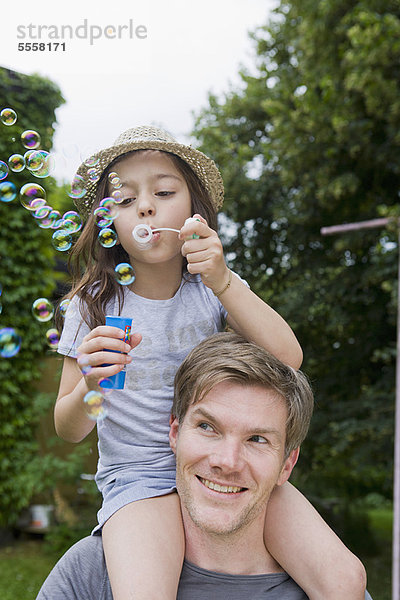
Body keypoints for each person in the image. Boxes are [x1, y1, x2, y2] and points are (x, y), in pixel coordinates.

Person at [52, 126, 363, 600]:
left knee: (345, 581)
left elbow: (288, 358)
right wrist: (89, 386)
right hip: (139, 476)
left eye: (163, 191)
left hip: (223, 458)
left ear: (194, 209)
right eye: (124, 197)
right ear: (108, 219)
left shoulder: (211, 291)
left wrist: (222, 279)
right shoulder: (92, 305)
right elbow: (67, 428)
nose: (145, 207)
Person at [37, 333, 369, 599]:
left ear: (287, 464)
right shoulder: (91, 575)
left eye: (257, 439)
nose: (227, 461)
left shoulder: (332, 585)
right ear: (175, 433)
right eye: (208, 427)